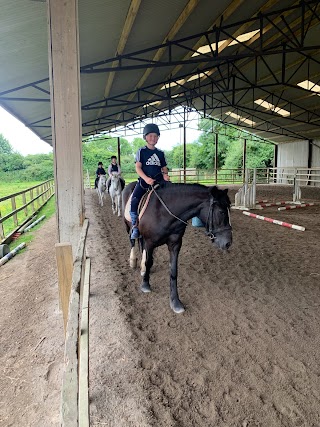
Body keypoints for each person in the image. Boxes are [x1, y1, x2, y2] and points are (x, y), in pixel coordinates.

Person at [130, 123, 170, 239]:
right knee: (134, 199)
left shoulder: (160, 153)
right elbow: (138, 167)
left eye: (155, 136)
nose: (153, 138)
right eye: (150, 136)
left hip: (159, 182)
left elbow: (164, 168)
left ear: (158, 138)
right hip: (145, 182)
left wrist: (166, 175)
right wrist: (146, 178)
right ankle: (135, 226)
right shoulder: (141, 151)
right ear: (145, 137)